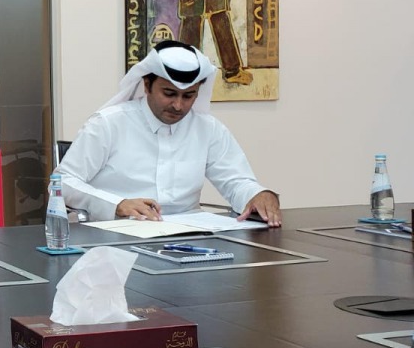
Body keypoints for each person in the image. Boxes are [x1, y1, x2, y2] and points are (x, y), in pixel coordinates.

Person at [55, 40, 281, 225]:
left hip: (190, 239)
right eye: (169, 93)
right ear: (146, 85)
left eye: (188, 96)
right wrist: (118, 204)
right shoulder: (108, 124)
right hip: (115, 237)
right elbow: (62, 182)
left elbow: (236, 181)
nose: (178, 106)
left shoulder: (208, 129)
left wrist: (258, 194)